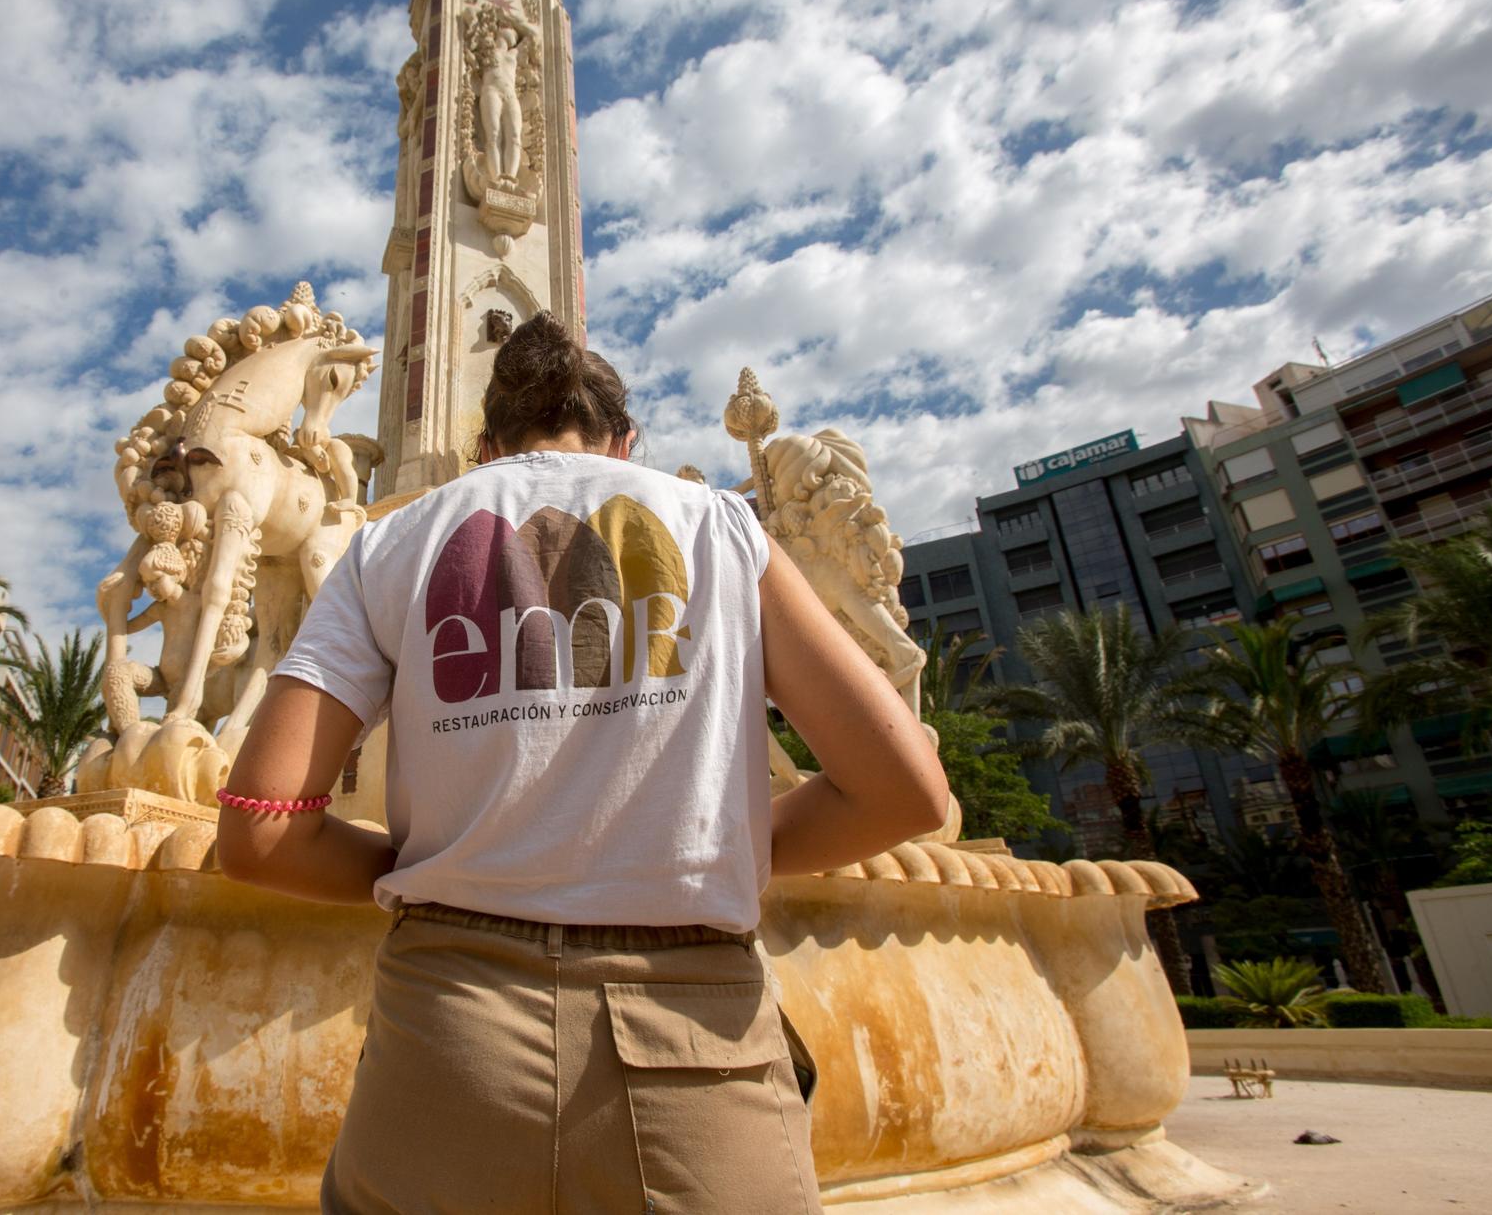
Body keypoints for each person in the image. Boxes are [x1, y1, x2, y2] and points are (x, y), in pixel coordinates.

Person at [217, 312, 949, 1214]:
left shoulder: (389, 543)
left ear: (484, 443)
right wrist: (722, 844)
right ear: (625, 439)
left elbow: (256, 828)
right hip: (696, 1061)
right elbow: (908, 789)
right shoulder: (720, 528)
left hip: (447, 1049)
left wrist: (434, 865)